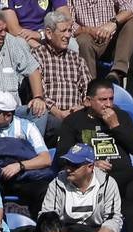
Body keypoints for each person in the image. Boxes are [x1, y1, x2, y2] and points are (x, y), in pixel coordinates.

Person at [40, 142, 125, 232]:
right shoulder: (57, 183)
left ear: (90, 167)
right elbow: (46, 219)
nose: (68, 169)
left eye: (74, 165)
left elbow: (114, 219)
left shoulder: (108, 183)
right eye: (67, 163)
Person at [54, 79, 133, 194]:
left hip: (121, 176)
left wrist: (116, 126)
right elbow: (61, 157)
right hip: (90, 177)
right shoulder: (73, 121)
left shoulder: (121, 116)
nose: (108, 104)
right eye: (103, 100)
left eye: (111, 99)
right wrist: (91, 165)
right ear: (88, 101)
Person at [32, 11, 91, 142]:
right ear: (48, 33)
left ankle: (92, 158)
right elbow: (36, 92)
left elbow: (89, 91)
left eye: (70, 31)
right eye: (63, 31)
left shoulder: (77, 59)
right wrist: (57, 112)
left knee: (90, 127)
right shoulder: (36, 56)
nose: (68, 35)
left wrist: (81, 106)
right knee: (59, 126)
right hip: (49, 115)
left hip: (76, 114)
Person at [68, 0, 133, 85]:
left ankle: (117, 72)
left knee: (132, 23)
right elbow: (69, 23)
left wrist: (113, 23)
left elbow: (131, 7)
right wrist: (89, 30)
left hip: (114, 40)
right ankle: (90, 86)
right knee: (82, 41)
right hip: (90, 39)